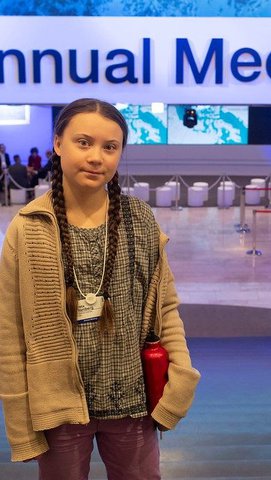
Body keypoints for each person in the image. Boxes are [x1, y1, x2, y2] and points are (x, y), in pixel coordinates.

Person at [0, 98, 200, 479]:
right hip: (58, 406)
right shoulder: (28, 227)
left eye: (110, 147)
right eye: (83, 142)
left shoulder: (139, 218)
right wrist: (19, 420)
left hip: (132, 401)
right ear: (58, 144)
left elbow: (165, 307)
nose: (96, 157)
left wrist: (182, 372)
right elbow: (10, 331)